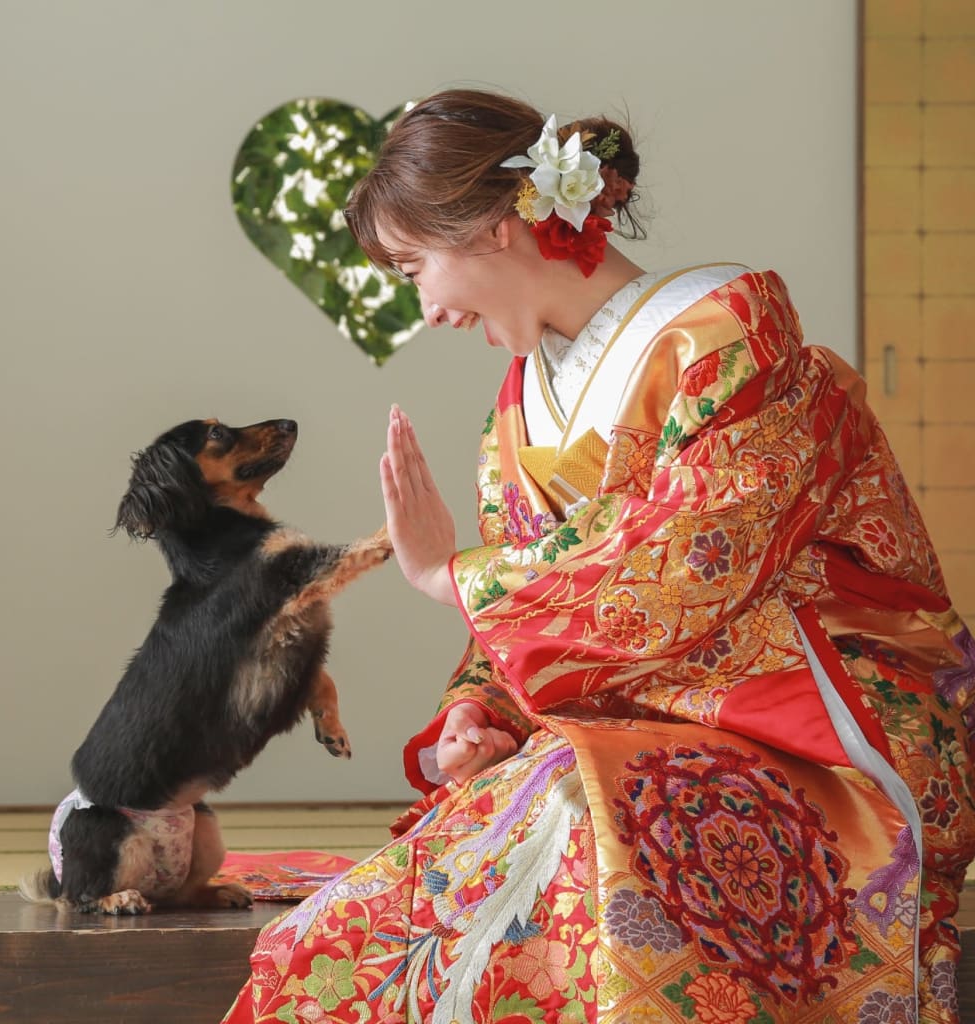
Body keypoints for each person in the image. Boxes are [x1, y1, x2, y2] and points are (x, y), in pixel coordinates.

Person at [223, 88, 975, 1024]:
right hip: (648, 728)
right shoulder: (516, 411)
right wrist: (480, 710)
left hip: (825, 723)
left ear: (496, 227)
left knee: (568, 813)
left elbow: (692, 558)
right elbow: (540, 604)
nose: (425, 308)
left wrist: (451, 576)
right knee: (495, 833)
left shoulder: (729, 333)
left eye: (416, 267)